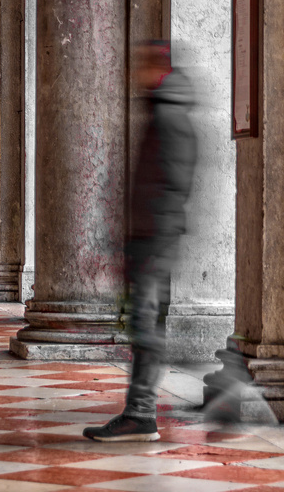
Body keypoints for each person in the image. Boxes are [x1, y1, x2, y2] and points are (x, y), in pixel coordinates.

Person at [85, 42, 198, 442]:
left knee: (145, 326)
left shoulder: (168, 116)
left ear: (159, 67)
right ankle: (140, 411)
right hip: (150, 237)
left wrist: (145, 240)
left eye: (144, 64)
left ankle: (141, 413)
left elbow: (171, 184)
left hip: (154, 239)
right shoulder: (161, 110)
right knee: (143, 324)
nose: (137, 72)